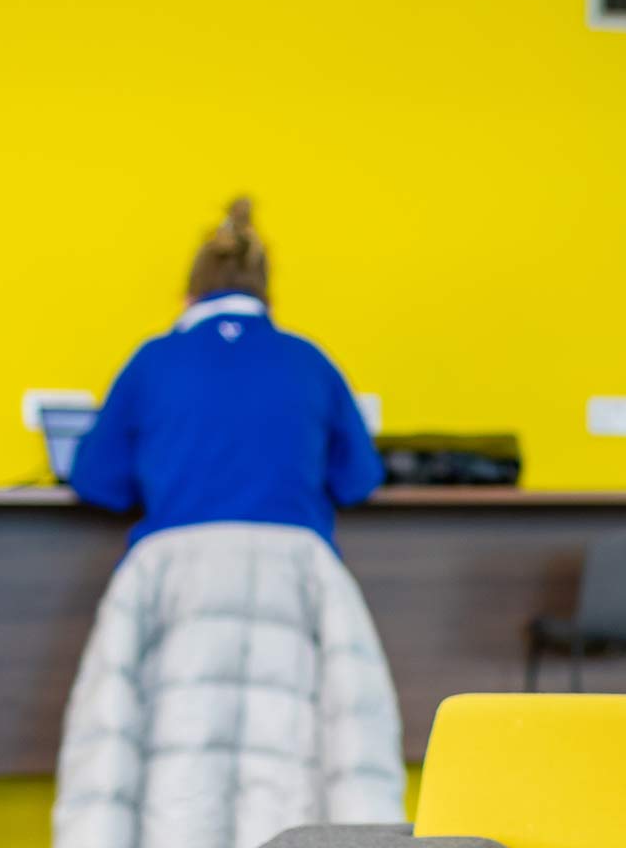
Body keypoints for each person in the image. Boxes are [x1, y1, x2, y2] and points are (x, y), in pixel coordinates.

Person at [52, 197, 402, 848]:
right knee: (293, 762)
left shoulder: (154, 359)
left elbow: (95, 480)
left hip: (176, 584)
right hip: (294, 582)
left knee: (171, 766)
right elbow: (361, 479)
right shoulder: (308, 360)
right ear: (267, 294)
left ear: (188, 295)